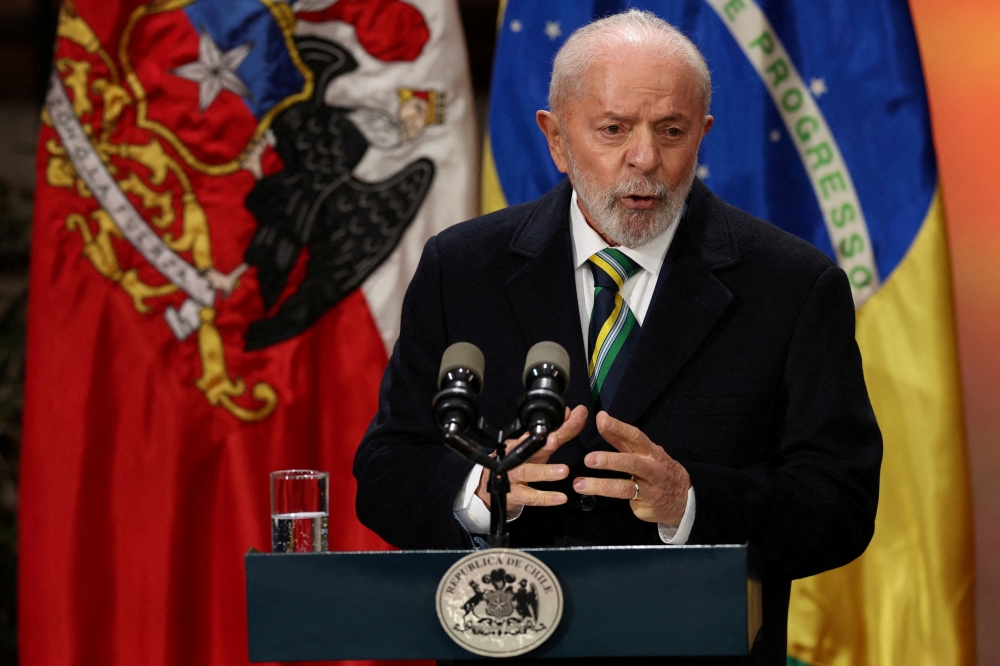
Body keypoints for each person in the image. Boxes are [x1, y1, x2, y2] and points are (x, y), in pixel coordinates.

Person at [353, 9, 881, 665]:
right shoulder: (460, 271)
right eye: (613, 129)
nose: (645, 158)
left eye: (672, 131)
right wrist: (478, 492)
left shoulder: (794, 287)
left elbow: (840, 502)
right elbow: (385, 470)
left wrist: (689, 503)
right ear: (556, 138)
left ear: (703, 135)